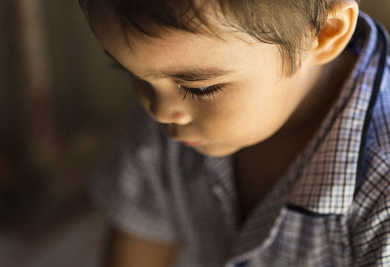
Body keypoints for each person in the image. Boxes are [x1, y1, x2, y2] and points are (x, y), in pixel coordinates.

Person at [79, 0, 390, 266]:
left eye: (200, 88)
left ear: (325, 34)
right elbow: (136, 249)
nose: (158, 110)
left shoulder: (382, 191)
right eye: (130, 72)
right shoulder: (169, 110)